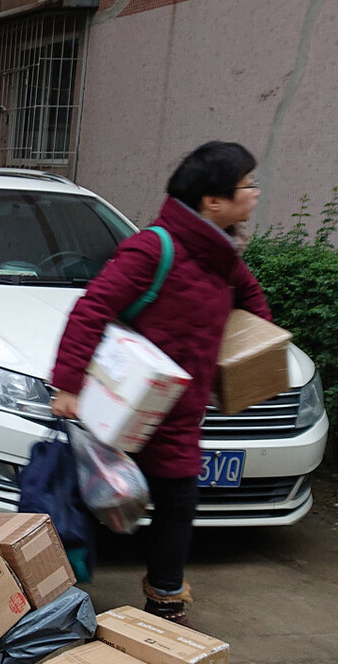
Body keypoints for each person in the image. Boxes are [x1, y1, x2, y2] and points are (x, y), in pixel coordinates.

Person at [48, 141, 272, 625]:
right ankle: (57, 593)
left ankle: (165, 598)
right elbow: (93, 308)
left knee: (177, 503)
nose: (256, 193)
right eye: (247, 185)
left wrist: (256, 354)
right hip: (125, 404)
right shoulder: (155, 247)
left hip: (179, 412)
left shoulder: (221, 257)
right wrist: (68, 385)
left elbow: (251, 301)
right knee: (94, 497)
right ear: (213, 201)